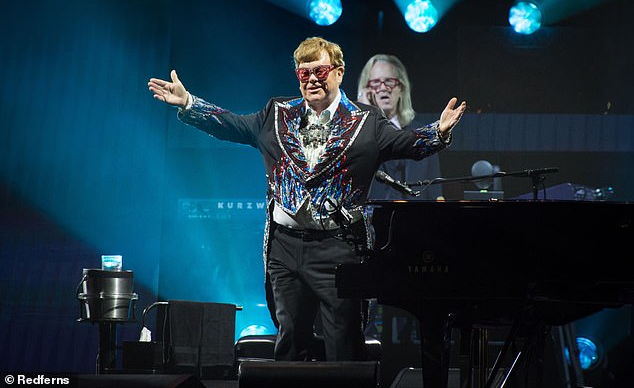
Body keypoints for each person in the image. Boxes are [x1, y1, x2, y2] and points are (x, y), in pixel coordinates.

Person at [148, 36, 466, 362]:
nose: (312, 79)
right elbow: (233, 125)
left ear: (339, 73)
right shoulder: (276, 114)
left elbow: (407, 144)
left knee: (343, 340)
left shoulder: (365, 122)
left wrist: (438, 132)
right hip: (285, 247)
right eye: (304, 73)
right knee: (289, 338)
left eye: (320, 71)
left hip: (339, 246)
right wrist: (190, 104)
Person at [358, 54, 443, 200]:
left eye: (390, 81)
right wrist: (364, 113)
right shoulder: (357, 134)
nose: (383, 88)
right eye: (376, 83)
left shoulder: (423, 135)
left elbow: (436, 194)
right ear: (366, 90)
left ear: (401, 88)